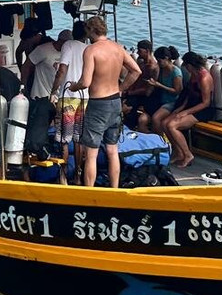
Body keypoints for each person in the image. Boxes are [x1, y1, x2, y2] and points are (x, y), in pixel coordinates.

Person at [67, 15, 141, 188]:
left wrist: (74, 87)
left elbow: (85, 82)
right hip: (115, 101)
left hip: (98, 103)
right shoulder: (118, 48)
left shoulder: (91, 50)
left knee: (91, 153)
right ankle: (114, 189)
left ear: (91, 31)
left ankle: (90, 191)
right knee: (112, 150)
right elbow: (136, 71)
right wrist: (121, 88)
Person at [164, 51, 215, 168]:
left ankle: (187, 155)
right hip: (191, 106)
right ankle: (179, 152)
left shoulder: (204, 78)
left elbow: (206, 103)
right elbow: (189, 94)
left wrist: (185, 112)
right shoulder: (194, 75)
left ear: (190, 66)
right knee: (164, 123)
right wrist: (181, 108)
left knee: (172, 126)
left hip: (202, 110)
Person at [23, 30, 69, 156]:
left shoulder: (69, 53)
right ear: (60, 41)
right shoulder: (43, 50)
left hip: (60, 97)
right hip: (41, 95)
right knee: (41, 128)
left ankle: (53, 156)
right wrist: (23, 86)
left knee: (59, 131)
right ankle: (36, 153)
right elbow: (27, 66)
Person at [54, 22, 88, 181]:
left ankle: (63, 175)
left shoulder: (68, 44)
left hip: (68, 95)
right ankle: (78, 175)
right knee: (79, 138)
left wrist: (54, 89)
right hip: (85, 97)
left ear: (74, 32)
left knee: (64, 139)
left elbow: (62, 70)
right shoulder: (88, 48)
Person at [145, 46, 183, 135]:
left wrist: (160, 85)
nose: (158, 63)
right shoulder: (161, 70)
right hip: (160, 100)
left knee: (156, 118)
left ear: (166, 58)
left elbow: (177, 91)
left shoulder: (175, 72)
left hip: (172, 102)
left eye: (159, 61)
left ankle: (162, 140)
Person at [123, 40, 158, 127]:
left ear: (147, 51)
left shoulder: (154, 68)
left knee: (128, 107)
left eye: (140, 51)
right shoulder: (141, 63)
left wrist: (130, 93)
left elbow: (148, 91)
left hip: (144, 96)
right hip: (134, 92)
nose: (138, 53)